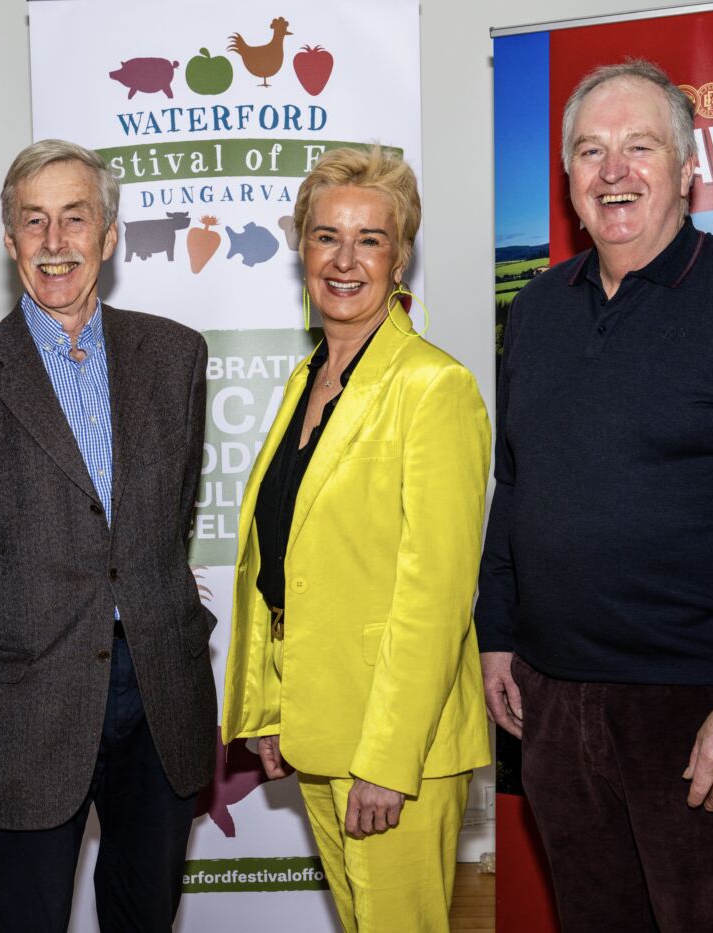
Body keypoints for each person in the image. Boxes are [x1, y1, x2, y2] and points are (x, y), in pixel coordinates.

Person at [476, 60, 713, 932]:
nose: (613, 171)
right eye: (590, 151)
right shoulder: (535, 311)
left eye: (639, 147)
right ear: (569, 180)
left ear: (687, 170)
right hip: (555, 703)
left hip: (697, 710)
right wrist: (498, 631)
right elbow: (519, 483)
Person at [0, 139, 215, 933]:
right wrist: (25, 641)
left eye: (74, 218)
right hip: (27, 704)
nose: (54, 241)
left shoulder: (175, 355)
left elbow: (162, 523)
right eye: (33, 221)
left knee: (144, 915)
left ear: (108, 235)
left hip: (160, 697)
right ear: (9, 242)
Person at [220, 146, 492, 933]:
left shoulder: (433, 388)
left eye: (370, 239)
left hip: (391, 750)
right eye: (326, 236)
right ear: (301, 247)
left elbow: (435, 598)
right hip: (321, 728)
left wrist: (385, 761)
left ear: (400, 257)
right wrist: (270, 707)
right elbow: (283, 571)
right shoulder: (307, 381)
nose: (345, 260)